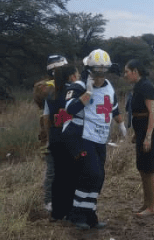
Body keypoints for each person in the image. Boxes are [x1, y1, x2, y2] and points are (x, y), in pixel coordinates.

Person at [64, 49, 123, 229]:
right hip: (81, 136)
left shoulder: (109, 87)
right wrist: (87, 93)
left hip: (100, 137)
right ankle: (76, 215)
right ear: (89, 69)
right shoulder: (78, 87)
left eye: (104, 71)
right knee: (91, 173)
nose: (100, 75)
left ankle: (90, 215)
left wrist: (121, 125)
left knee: (99, 177)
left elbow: (113, 108)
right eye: (97, 71)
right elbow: (69, 110)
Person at [124, 59, 154, 217]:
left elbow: (152, 112)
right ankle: (146, 203)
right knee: (142, 168)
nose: (125, 75)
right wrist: (137, 133)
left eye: (127, 71)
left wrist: (148, 136)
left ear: (135, 71)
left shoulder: (146, 86)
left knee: (149, 169)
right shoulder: (138, 86)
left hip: (149, 130)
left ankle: (152, 207)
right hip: (140, 129)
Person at [34, 54, 69, 215]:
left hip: (56, 133)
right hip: (53, 134)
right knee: (53, 170)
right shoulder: (49, 88)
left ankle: (56, 200)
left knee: (58, 169)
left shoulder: (51, 87)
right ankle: (49, 201)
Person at [44, 64, 79, 223]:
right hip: (68, 136)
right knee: (71, 175)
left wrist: (49, 136)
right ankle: (70, 211)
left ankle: (56, 213)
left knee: (57, 176)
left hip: (54, 137)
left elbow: (46, 118)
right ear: (70, 76)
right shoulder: (71, 92)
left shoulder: (51, 93)